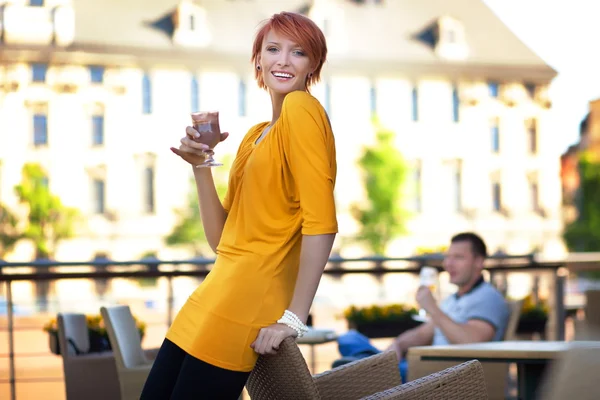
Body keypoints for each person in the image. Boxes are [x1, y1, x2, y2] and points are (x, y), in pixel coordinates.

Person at [140, 12, 337, 399]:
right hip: (213, 293)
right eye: (273, 49)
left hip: (248, 299)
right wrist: (202, 166)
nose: (283, 60)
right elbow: (222, 241)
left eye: (298, 52)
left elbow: (323, 224)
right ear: (258, 60)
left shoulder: (302, 109)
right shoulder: (256, 135)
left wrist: (293, 319)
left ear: (313, 65)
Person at [335, 232, 510, 383]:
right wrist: (398, 345)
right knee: (349, 338)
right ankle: (366, 366)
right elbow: (422, 334)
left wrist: (432, 308)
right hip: (420, 369)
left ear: (479, 262)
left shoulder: (488, 297)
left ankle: (361, 367)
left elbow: (472, 343)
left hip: (443, 377)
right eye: (447, 257)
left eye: (458, 257)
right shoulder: (453, 300)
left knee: (354, 361)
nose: (448, 264)